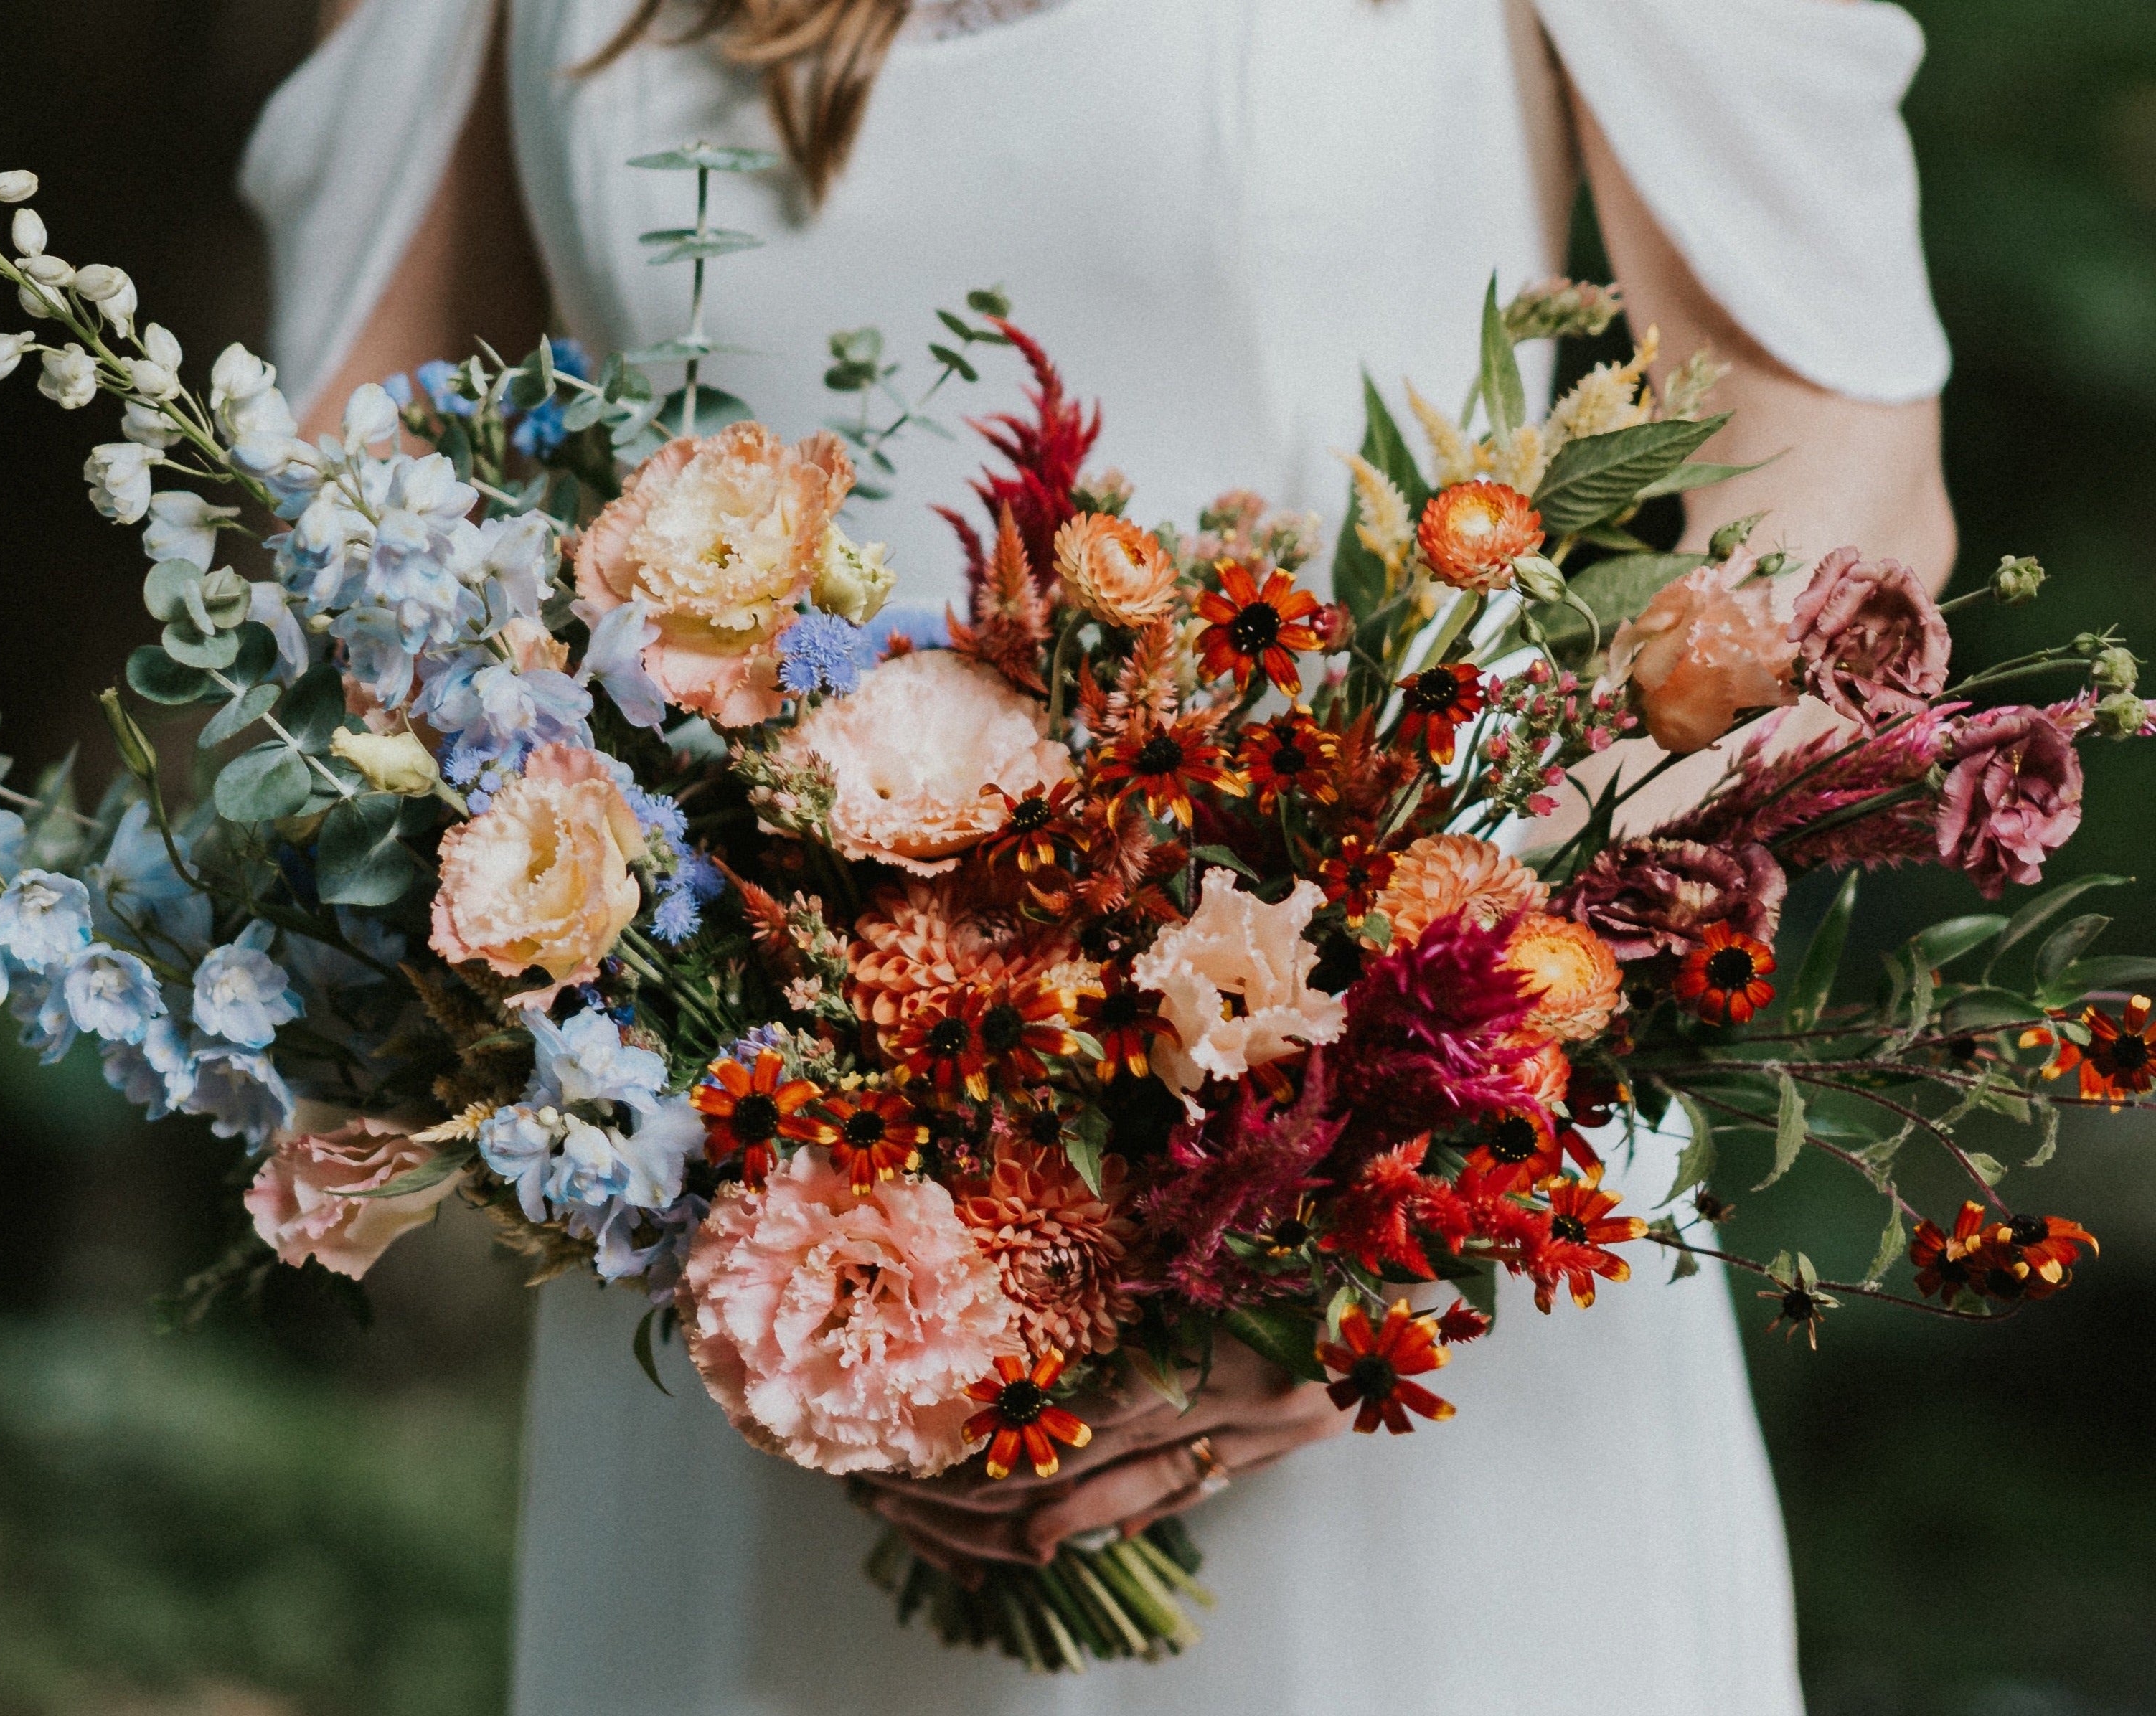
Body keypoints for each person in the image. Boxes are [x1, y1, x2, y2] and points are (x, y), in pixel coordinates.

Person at [243, 3, 1957, 1710]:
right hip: (773, 1259)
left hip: (1422, 1259)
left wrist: (1390, 1135)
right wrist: (697, 1088)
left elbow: (1841, 487)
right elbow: (380, 506)